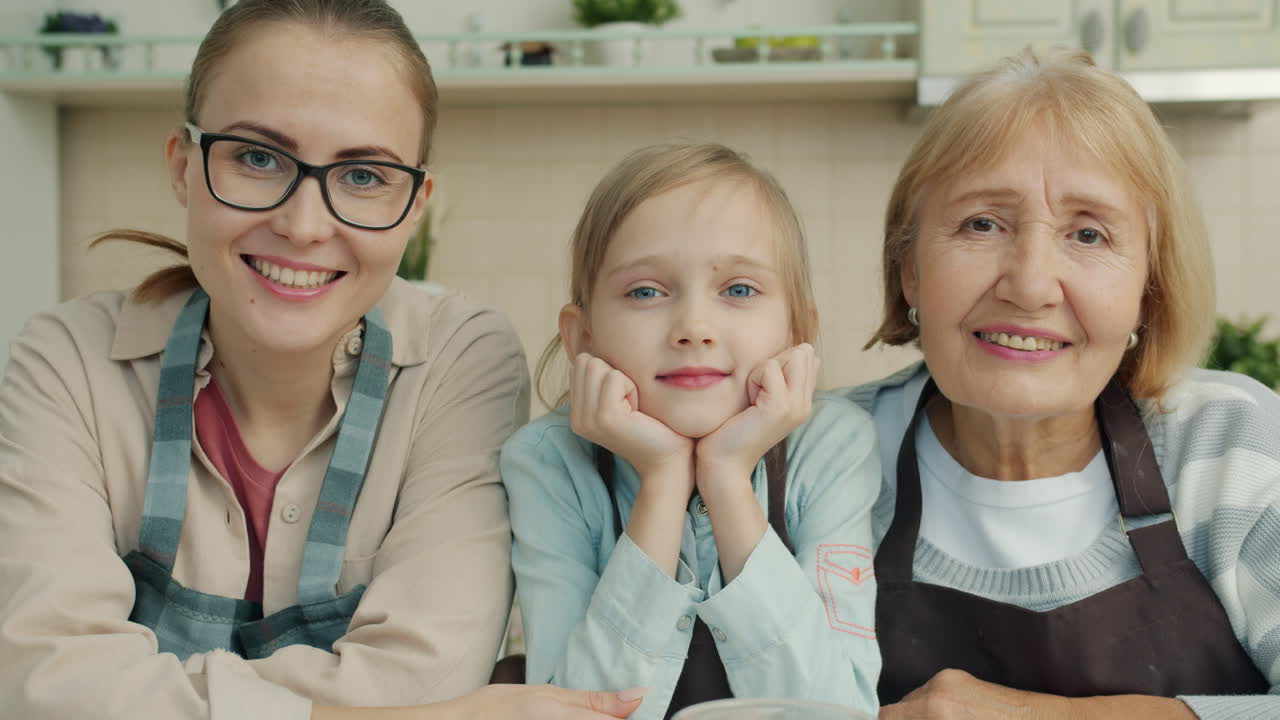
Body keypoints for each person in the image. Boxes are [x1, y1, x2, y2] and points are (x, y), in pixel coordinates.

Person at [0, 2, 645, 718]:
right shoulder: (68, 361)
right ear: (184, 167)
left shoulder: (461, 359)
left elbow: (424, 684)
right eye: (256, 157)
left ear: (415, 205)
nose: (304, 226)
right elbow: (45, 691)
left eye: (364, 175)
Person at [839, 47, 1280, 719]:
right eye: (982, 224)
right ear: (909, 271)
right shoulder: (822, 460)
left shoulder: (1233, 448)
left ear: (1148, 291)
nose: (1031, 285)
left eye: (1089, 234)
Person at [501, 144, 883, 720]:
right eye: (646, 292)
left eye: (739, 290)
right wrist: (661, 482)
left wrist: (726, 478)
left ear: (797, 329)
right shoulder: (548, 463)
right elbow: (573, 709)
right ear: (582, 338)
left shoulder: (833, 448)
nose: (694, 328)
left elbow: (833, 710)